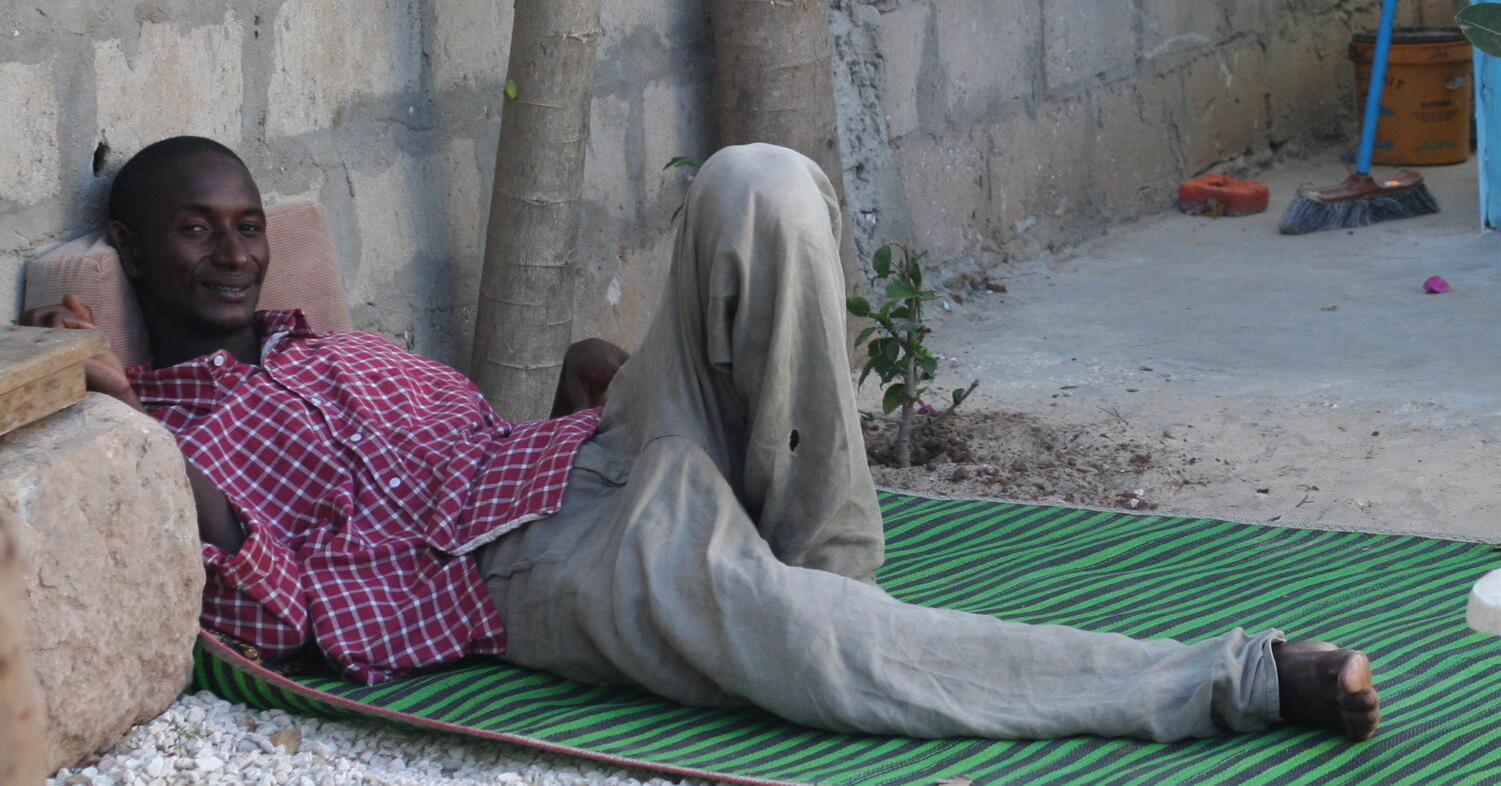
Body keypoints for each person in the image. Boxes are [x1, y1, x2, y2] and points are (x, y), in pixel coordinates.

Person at [23, 136, 1379, 743]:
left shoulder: (334, 345)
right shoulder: (176, 435)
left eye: (245, 222)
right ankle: (1242, 679)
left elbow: (502, 416)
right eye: (192, 230)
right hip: (546, 568)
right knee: (830, 661)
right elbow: (280, 616)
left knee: (757, 185)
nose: (230, 250)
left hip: (596, 450)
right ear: (133, 253)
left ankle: (821, 576)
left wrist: (606, 386)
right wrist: (157, 455)